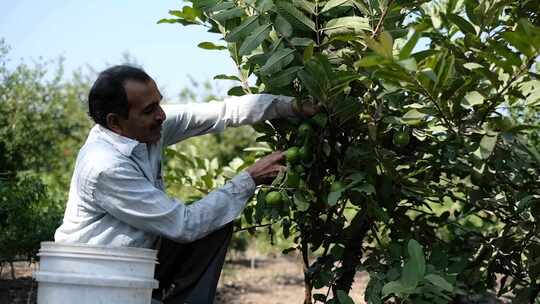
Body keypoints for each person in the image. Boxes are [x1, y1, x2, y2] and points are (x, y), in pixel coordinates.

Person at [54, 65, 318, 303]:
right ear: (115, 122)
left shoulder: (145, 129)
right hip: (93, 282)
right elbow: (185, 225)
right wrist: (250, 178)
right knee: (204, 221)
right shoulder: (105, 166)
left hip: (135, 264)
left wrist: (292, 106)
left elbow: (221, 112)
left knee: (216, 222)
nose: (161, 115)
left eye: (159, 104)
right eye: (149, 110)